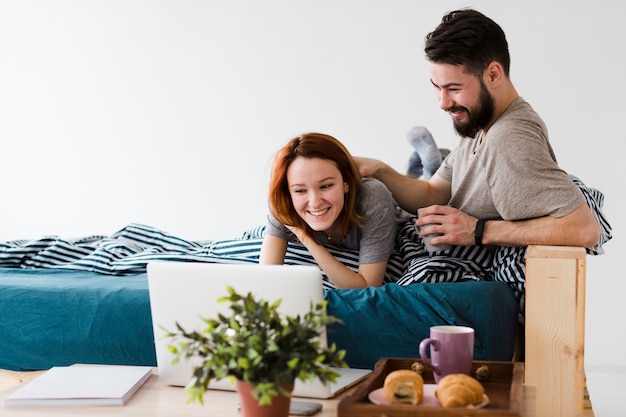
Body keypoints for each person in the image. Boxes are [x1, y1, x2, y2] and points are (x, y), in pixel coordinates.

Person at [355, 9, 600, 250]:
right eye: (437, 87)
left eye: (453, 88)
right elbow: (433, 193)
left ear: (493, 74)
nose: (442, 103)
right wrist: (378, 170)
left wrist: (477, 230)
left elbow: (583, 229)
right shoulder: (481, 122)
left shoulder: (508, 139)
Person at [259, 132, 410, 288]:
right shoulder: (284, 202)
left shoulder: (372, 198)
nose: (315, 203)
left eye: (326, 186)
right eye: (300, 191)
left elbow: (366, 288)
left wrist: (306, 238)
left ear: (346, 182)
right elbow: (267, 278)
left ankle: (420, 167)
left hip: (397, 222)